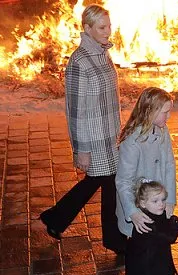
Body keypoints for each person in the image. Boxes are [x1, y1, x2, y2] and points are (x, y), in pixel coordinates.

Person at [40, 4, 126, 254]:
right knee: (109, 182)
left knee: (101, 181)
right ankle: (114, 239)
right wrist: (81, 149)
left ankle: (56, 218)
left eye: (109, 25)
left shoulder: (103, 53)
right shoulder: (79, 62)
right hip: (94, 138)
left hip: (110, 134)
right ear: (87, 29)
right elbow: (75, 110)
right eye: (102, 27)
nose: (108, 31)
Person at [98, 180, 178, 275]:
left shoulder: (156, 213)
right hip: (145, 264)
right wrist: (175, 224)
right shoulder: (147, 221)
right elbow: (168, 238)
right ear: (143, 204)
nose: (161, 204)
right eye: (155, 201)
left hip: (157, 258)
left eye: (163, 199)